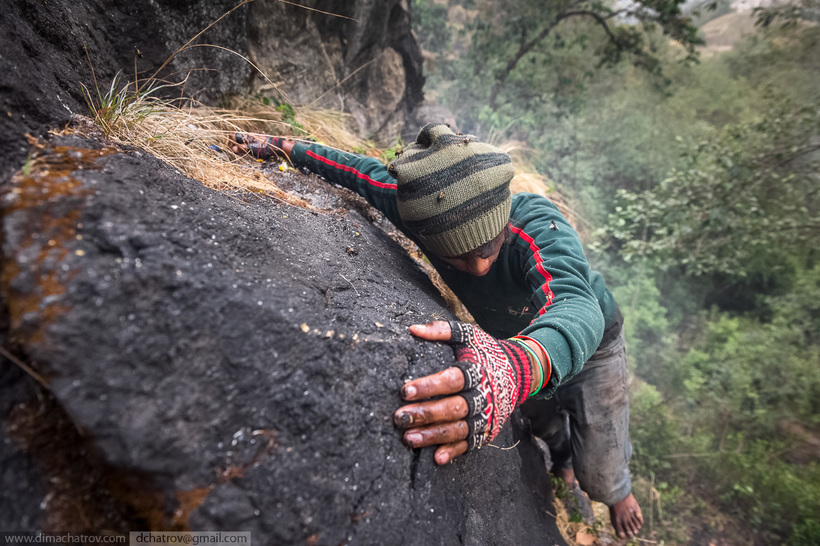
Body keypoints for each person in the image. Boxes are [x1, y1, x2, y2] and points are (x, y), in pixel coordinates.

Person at [232, 125, 644, 539]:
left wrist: (516, 368)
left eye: (490, 243)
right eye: (459, 253)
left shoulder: (537, 226)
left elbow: (576, 305)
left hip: (594, 348)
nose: (480, 265)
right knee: (547, 425)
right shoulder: (420, 213)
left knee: (601, 472)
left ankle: (618, 492)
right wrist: (284, 147)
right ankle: (563, 462)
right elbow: (357, 171)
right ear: (426, 232)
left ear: (504, 214)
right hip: (515, 348)